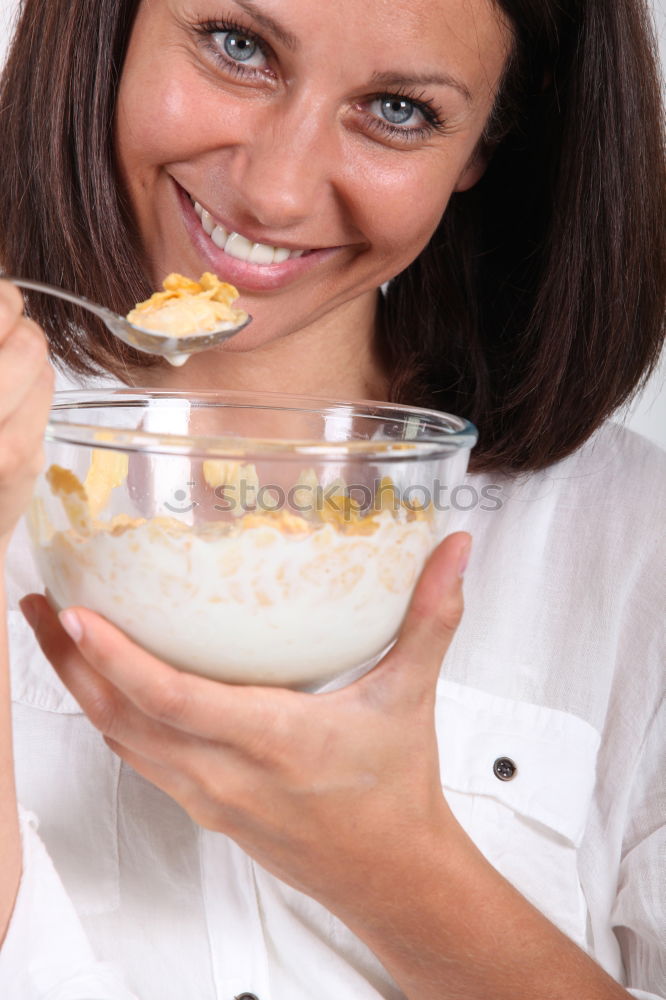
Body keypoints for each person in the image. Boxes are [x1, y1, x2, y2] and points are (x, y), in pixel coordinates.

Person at [0, 0, 664, 997]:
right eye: (239, 48)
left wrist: (388, 865)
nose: (272, 191)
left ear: (489, 142)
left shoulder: (632, 546)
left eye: (396, 107)